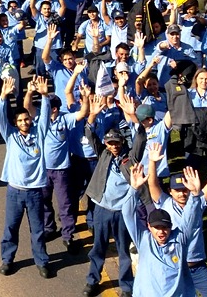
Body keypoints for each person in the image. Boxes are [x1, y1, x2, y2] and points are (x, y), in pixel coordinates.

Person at [146, 142, 207, 297]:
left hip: (196, 267)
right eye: (177, 191)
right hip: (172, 267)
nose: (182, 194)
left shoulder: (197, 202)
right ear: (170, 192)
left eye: (184, 190)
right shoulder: (164, 203)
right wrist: (152, 162)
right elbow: (152, 183)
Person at [0, 74, 51, 278]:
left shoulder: (39, 133)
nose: (24, 122)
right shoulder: (10, 136)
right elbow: (0, 118)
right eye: (20, 120)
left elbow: (44, 118)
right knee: (11, 228)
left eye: (27, 118)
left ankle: (42, 261)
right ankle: (7, 260)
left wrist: (44, 96)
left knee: (37, 230)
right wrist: (3, 96)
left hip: (35, 192)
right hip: (15, 192)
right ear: (15, 123)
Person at [122, 163, 205, 297]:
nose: (161, 232)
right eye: (157, 228)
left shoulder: (180, 239)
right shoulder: (143, 239)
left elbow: (190, 220)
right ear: (149, 227)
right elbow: (127, 213)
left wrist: (195, 196)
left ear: (171, 227)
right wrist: (134, 189)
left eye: (164, 227)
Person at [31, 72, 89, 253]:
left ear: (54, 109)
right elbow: (28, 107)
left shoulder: (64, 119)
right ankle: (49, 228)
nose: (43, 110)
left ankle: (68, 235)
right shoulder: (39, 120)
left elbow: (82, 113)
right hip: (43, 170)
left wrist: (86, 98)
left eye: (48, 107)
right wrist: (32, 92)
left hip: (62, 170)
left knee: (65, 203)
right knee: (45, 201)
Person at [83, 126, 135, 297]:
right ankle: (92, 280)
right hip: (102, 209)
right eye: (110, 143)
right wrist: (91, 118)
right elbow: (91, 135)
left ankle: (126, 286)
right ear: (106, 144)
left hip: (121, 212)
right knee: (98, 247)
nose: (114, 146)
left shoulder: (130, 158)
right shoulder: (103, 154)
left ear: (122, 142)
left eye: (117, 143)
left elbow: (141, 139)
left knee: (123, 250)